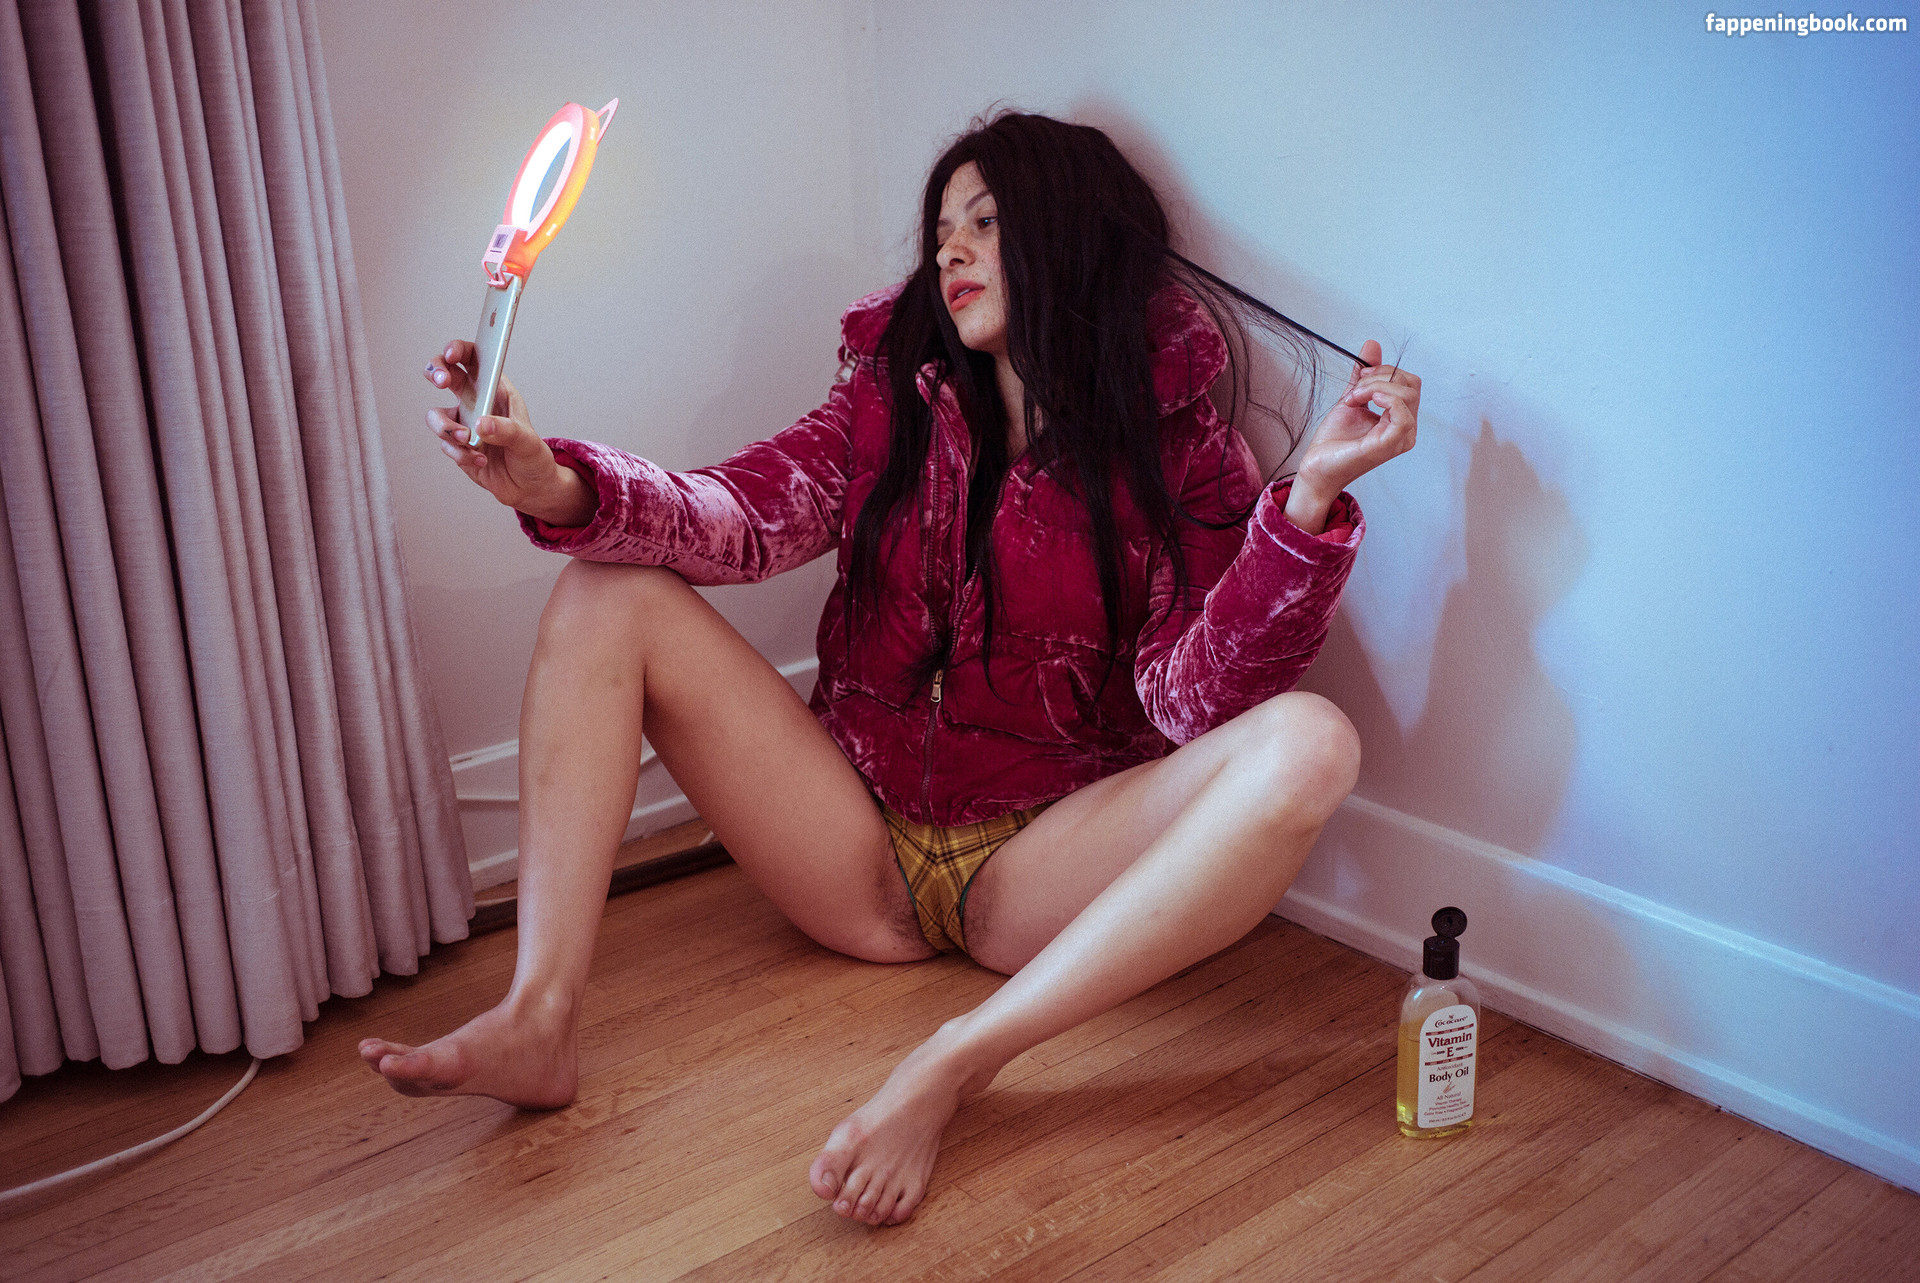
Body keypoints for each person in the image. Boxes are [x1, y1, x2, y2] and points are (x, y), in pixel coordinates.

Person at [360, 111, 1418, 1227]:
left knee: (1313, 742)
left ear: (1072, 234)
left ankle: (960, 1059)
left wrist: (1307, 503)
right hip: (854, 845)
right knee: (603, 593)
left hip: (1039, 870)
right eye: (943, 228)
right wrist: (554, 483)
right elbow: (736, 519)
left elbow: (1194, 698)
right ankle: (539, 1014)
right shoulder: (888, 398)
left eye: (987, 221)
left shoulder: (1183, 450)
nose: (951, 248)